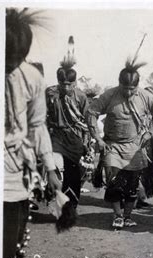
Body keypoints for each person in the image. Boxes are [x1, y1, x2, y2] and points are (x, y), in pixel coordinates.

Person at [4, 8, 61, 258]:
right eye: (6, 60)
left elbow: (37, 126)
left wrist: (50, 169)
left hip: (14, 180)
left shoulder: (32, 78)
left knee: (11, 255)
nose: (10, 66)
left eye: (17, 60)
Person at [86, 58, 153, 229]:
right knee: (114, 182)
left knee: (132, 185)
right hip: (112, 146)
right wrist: (98, 139)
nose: (128, 93)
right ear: (119, 83)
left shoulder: (145, 96)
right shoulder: (109, 95)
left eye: (132, 89)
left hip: (134, 147)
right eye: (125, 88)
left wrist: (149, 133)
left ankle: (128, 216)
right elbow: (91, 112)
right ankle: (117, 215)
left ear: (137, 86)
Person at [45, 42, 89, 208]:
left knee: (73, 173)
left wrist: (86, 141)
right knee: (56, 169)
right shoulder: (50, 94)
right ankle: (55, 202)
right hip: (56, 136)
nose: (66, 87)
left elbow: (87, 121)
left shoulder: (81, 97)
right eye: (62, 83)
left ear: (75, 82)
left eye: (69, 84)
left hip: (75, 138)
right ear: (58, 81)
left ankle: (70, 206)